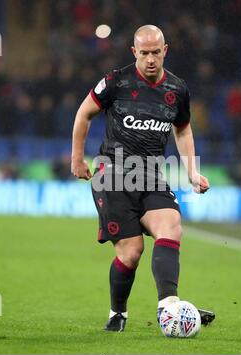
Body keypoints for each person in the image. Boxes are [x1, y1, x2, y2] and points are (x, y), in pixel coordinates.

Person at [71, 25, 215, 332]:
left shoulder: (177, 89)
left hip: (150, 175)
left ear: (166, 50)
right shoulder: (115, 81)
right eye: (144, 53)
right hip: (112, 174)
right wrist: (77, 158)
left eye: (156, 52)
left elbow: (183, 128)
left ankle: (168, 306)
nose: (150, 59)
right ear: (134, 52)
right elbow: (83, 114)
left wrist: (191, 170)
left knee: (171, 226)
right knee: (132, 251)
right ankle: (117, 312)